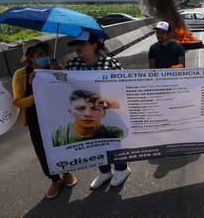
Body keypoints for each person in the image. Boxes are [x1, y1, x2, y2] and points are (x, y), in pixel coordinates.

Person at [65, 31, 131, 189]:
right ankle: (105, 171)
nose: (78, 48)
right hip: (86, 114)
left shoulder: (110, 63)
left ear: (94, 45)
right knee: (95, 142)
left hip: (109, 112)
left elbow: (124, 86)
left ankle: (122, 168)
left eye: (82, 44)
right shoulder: (72, 65)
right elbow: (63, 86)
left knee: (112, 141)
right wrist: (46, 74)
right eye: (76, 45)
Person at [12, 40, 77, 199]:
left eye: (46, 53)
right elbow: (18, 102)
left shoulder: (54, 68)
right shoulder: (20, 75)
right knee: (42, 151)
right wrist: (35, 93)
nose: (45, 57)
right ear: (29, 57)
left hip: (57, 115)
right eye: (39, 55)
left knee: (61, 144)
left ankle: (67, 171)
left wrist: (59, 73)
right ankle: (54, 179)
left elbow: (69, 88)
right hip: (35, 120)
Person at [51, 90, 123, 147]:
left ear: (103, 114)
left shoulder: (114, 133)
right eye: (80, 108)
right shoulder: (57, 137)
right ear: (70, 112)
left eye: (94, 109)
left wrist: (117, 106)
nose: (87, 114)